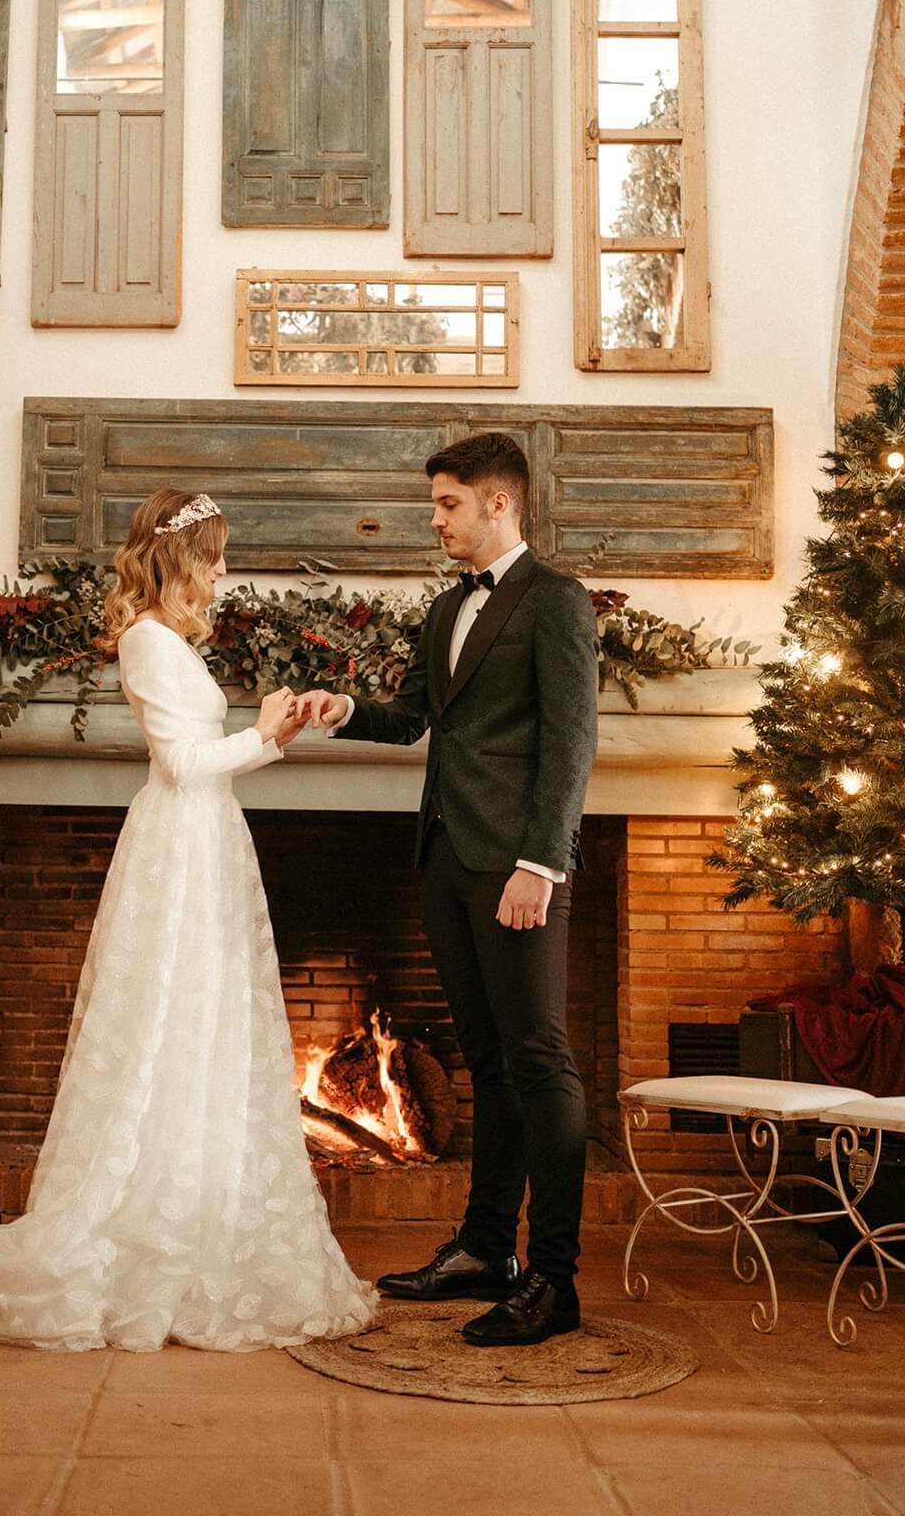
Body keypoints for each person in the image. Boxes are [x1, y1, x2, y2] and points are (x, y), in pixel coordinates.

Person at [0, 489, 377, 1353]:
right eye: (213, 554)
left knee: (207, 1023)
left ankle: (201, 1205)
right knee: (168, 1019)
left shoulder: (171, 641)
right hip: (180, 847)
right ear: (178, 559)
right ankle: (152, 1227)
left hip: (206, 839)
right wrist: (264, 733)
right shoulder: (147, 640)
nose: (223, 570)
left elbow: (207, 762)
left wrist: (275, 735)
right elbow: (184, 764)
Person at [299, 433, 599, 1346]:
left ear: (498, 502)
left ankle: (554, 1280)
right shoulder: (444, 609)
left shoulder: (556, 601)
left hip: (518, 869)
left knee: (540, 1061)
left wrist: (540, 864)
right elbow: (413, 720)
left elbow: (571, 742)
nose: (435, 520)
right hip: (446, 860)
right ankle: (484, 1250)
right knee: (489, 1061)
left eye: (448, 504)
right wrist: (344, 711)